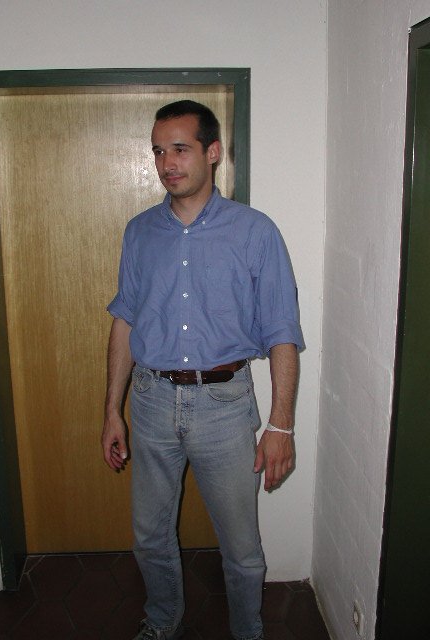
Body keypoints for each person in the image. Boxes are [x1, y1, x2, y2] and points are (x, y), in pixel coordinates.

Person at [102, 100, 304, 640]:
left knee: (242, 548)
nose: (167, 163)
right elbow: (125, 320)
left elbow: (282, 331)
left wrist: (281, 425)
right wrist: (112, 411)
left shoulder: (255, 232)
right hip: (150, 401)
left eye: (180, 149)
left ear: (213, 152)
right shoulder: (139, 232)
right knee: (149, 537)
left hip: (225, 405)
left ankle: (247, 631)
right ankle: (162, 621)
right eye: (158, 151)